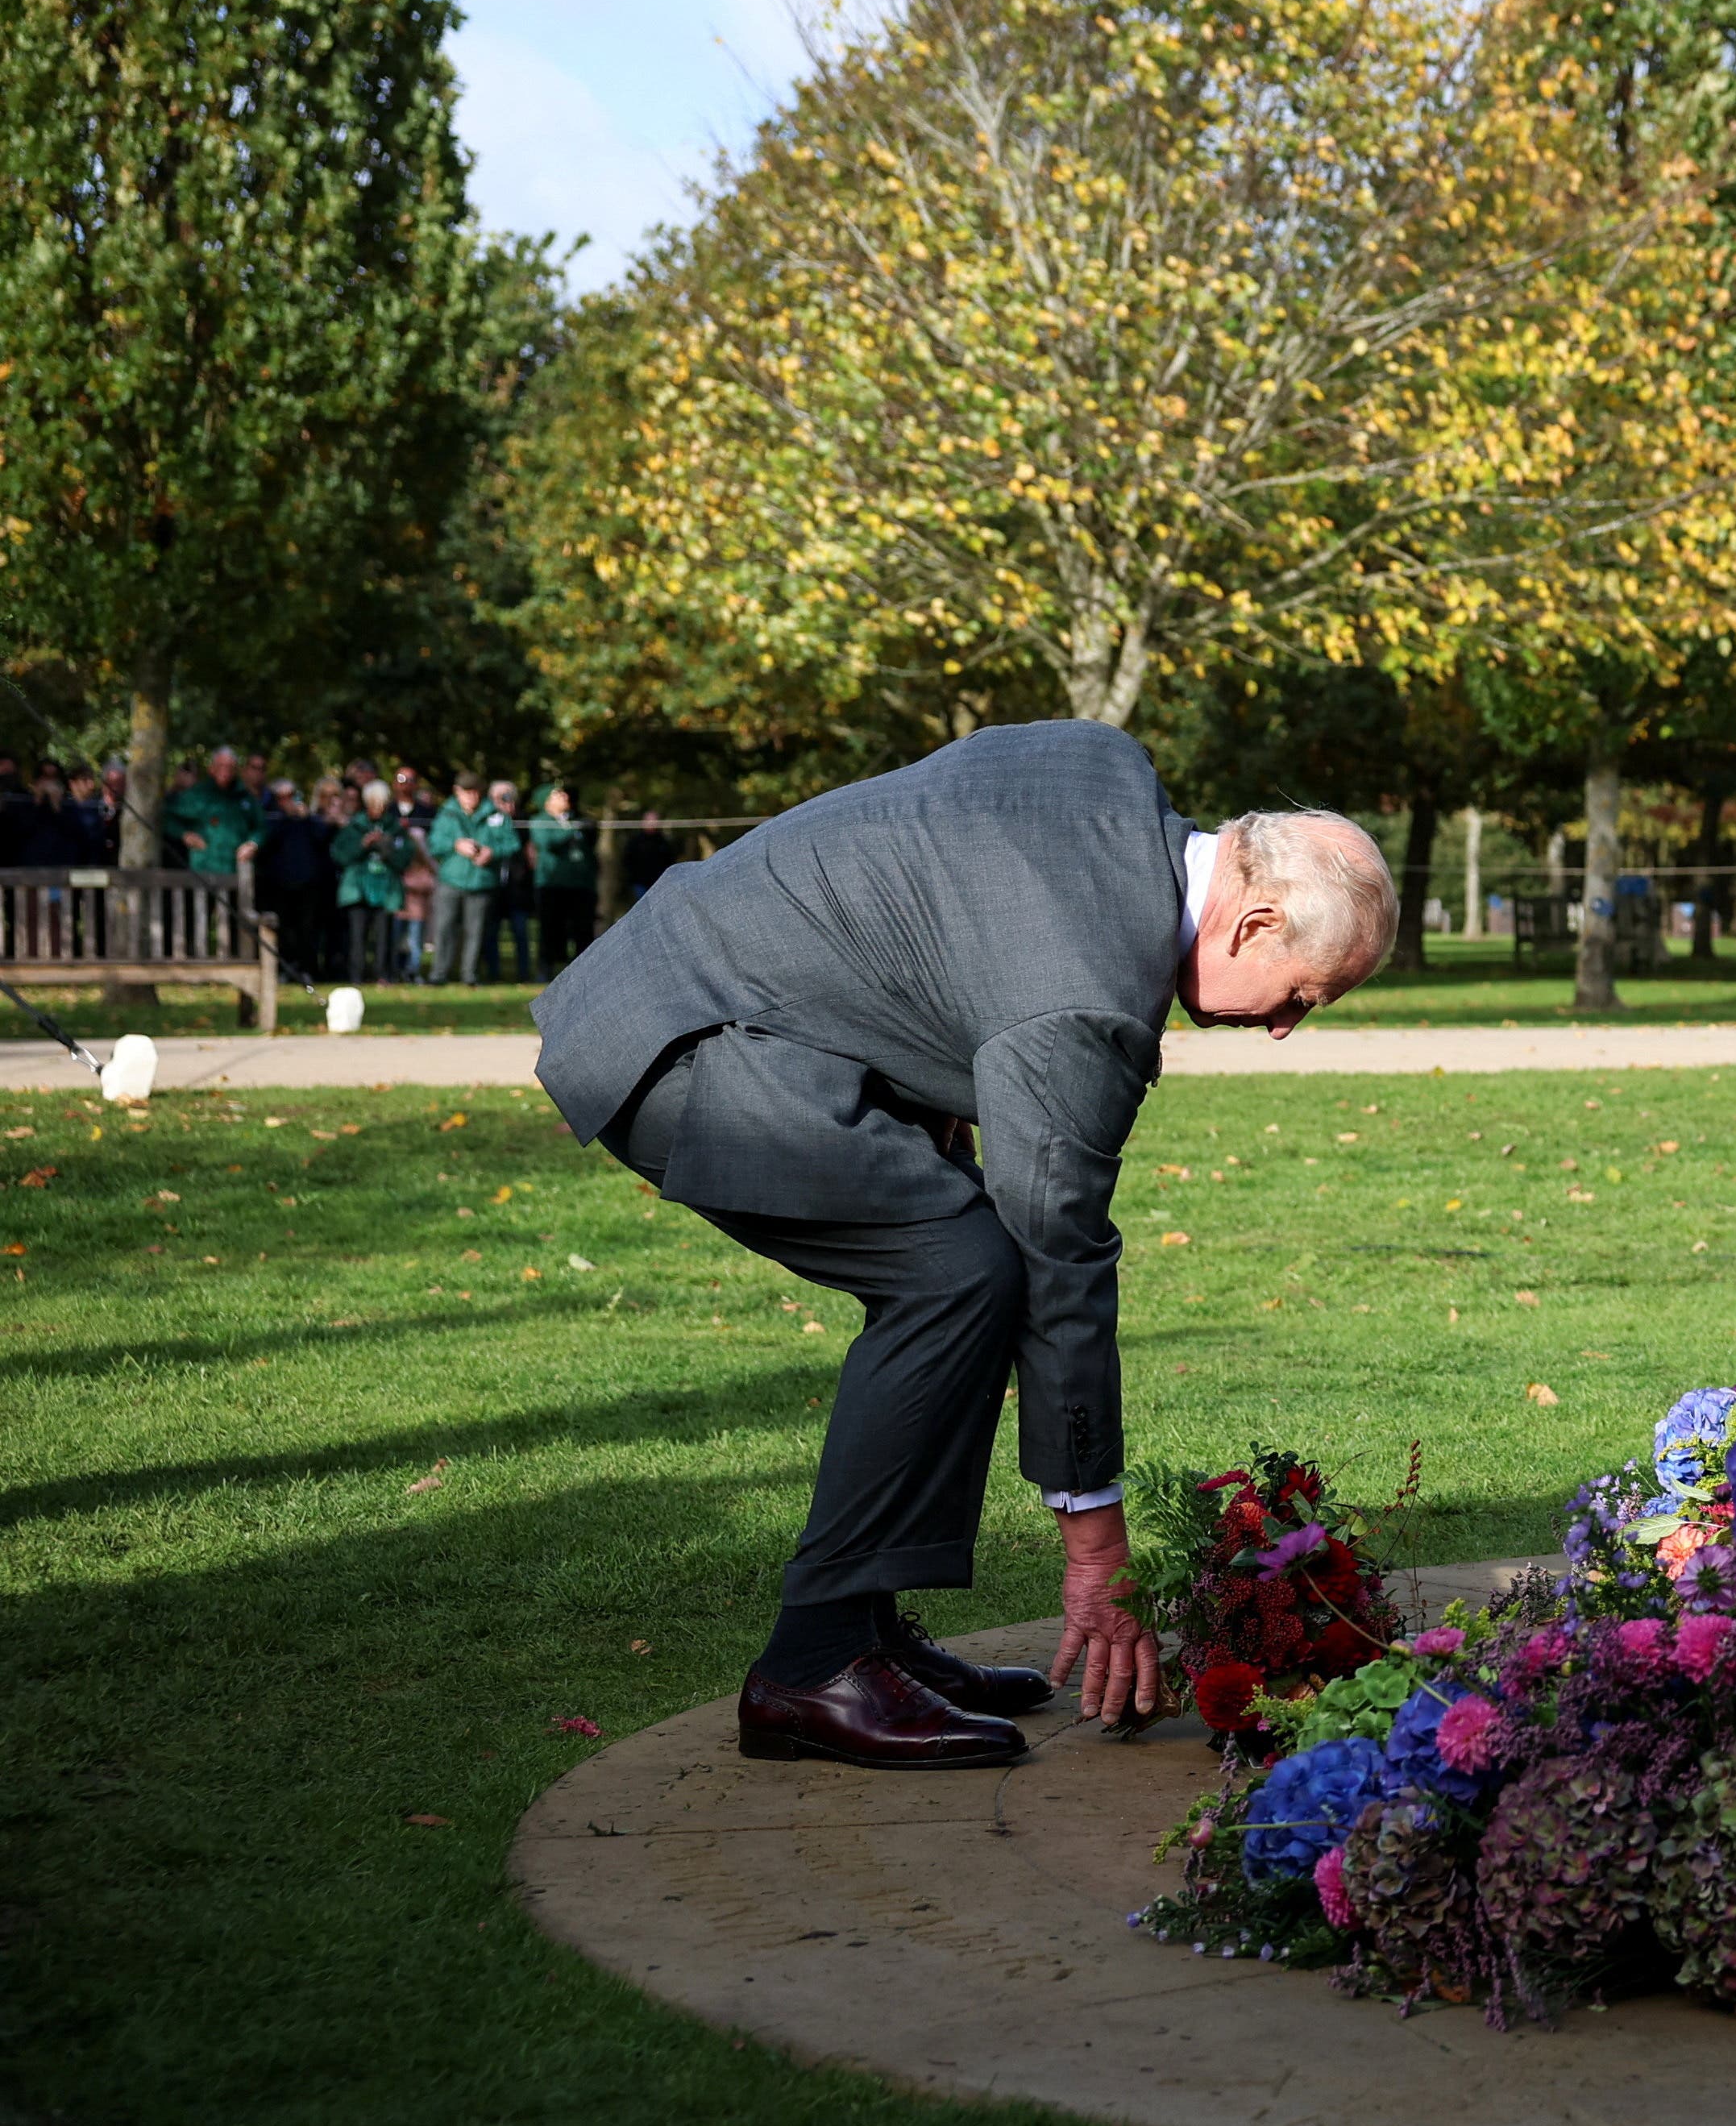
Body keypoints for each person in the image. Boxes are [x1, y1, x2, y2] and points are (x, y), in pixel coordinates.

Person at [533, 721, 1393, 1771]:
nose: (1285, 1027)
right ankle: (813, 1662)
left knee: (964, 1265)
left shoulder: (1101, 768)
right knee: (962, 1269)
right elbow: (1061, 1260)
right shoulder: (1089, 997)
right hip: (686, 1047)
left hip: (691, 983)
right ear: (1255, 920)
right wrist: (1097, 1548)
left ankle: (866, 1633)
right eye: (1303, 994)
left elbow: (936, 901)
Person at [426, 770, 501, 984]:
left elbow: (511, 842)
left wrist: (492, 851)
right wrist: (455, 845)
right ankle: (438, 974)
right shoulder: (446, 814)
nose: (472, 798)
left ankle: (470, 975)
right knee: (443, 929)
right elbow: (434, 844)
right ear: (457, 792)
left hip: (480, 881)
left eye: (476, 793)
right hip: (451, 880)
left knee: (475, 932)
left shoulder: (494, 814)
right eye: (467, 793)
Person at [337, 778, 413, 982]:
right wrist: (362, 845)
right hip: (358, 889)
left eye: (381, 804)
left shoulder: (395, 829)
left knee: (384, 937)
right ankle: (356, 977)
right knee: (357, 937)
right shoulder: (354, 827)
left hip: (386, 890)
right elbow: (339, 855)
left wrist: (386, 848)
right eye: (373, 804)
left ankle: (383, 976)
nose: (378, 809)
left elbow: (405, 858)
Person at [256, 782, 337, 973]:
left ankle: (307, 970)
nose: (288, 801)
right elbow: (267, 843)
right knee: (283, 930)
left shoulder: (308, 821)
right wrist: (285, 818)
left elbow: (322, 839)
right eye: (282, 797)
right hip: (279, 885)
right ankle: (284, 969)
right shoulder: (271, 818)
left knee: (307, 930)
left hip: (307, 885)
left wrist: (307, 818)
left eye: (291, 795)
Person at [525, 784, 599, 977]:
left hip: (581, 885)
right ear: (547, 801)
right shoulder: (540, 821)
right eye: (557, 794)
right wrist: (573, 829)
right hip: (552, 885)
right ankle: (546, 969)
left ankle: (585, 971)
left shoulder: (576, 820)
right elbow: (548, 843)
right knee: (550, 929)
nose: (564, 796)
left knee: (583, 929)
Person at [161, 744, 260, 880]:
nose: (225, 771)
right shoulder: (197, 795)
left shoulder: (245, 797)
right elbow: (166, 817)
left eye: (230, 767)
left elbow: (261, 827)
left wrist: (253, 844)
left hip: (237, 872)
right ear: (212, 768)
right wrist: (184, 834)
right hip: (204, 872)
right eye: (221, 766)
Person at [481, 775, 534, 980]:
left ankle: (524, 973)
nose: (502, 801)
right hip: (493, 886)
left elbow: (526, 852)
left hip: (517, 887)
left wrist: (510, 819)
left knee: (520, 931)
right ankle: (492, 973)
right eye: (497, 797)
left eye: (507, 796)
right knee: (491, 932)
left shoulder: (522, 822)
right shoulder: (485, 820)